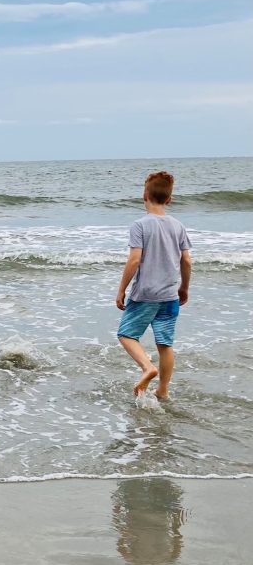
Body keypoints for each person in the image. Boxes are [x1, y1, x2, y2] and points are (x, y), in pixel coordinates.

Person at [115, 171, 192, 399]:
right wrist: (184, 288)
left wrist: (121, 289)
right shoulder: (178, 226)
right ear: (169, 199)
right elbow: (186, 260)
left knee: (126, 334)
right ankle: (163, 391)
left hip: (146, 294)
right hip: (170, 295)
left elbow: (134, 259)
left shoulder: (140, 225)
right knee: (165, 344)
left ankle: (147, 368)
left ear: (144, 195)